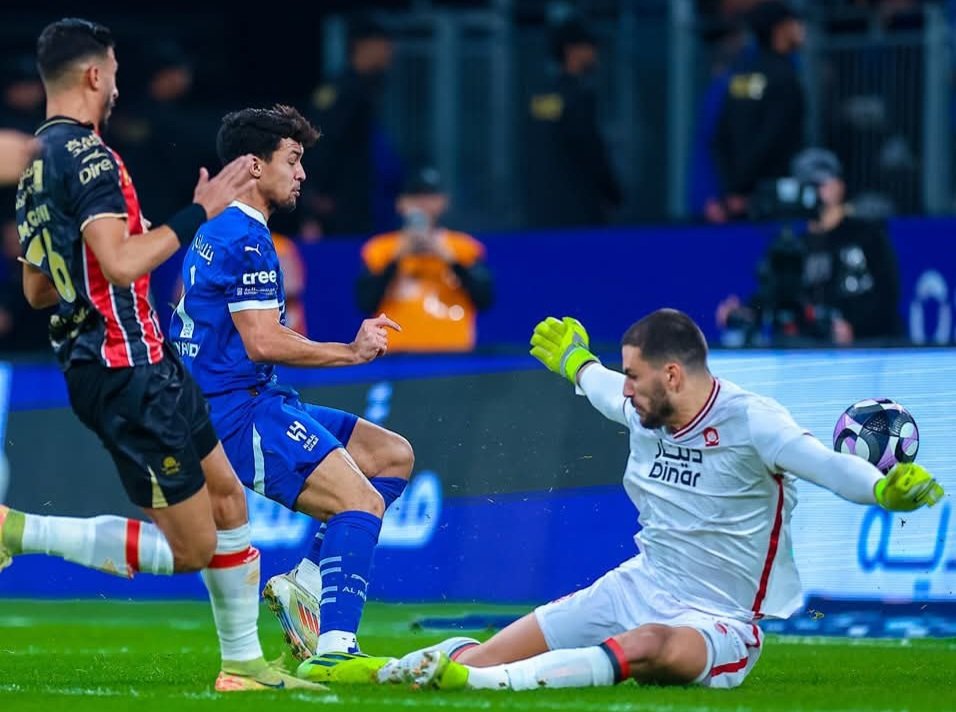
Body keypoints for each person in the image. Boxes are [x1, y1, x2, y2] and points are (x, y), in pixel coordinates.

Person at [300, 308, 944, 688]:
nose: (626, 388)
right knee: (497, 644)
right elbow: (596, 380)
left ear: (673, 375)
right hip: (635, 585)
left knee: (653, 647)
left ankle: (486, 685)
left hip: (719, 620)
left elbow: (830, 467)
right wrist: (574, 361)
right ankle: (377, 672)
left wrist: (886, 490)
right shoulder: (641, 406)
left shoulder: (756, 422)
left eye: (635, 374)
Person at [0, 18, 324, 693]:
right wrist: (196, 212)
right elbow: (120, 266)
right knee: (193, 547)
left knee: (230, 499)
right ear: (94, 75)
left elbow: (36, 288)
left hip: (146, 358)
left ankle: (242, 667)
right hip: (124, 370)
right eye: (114, 69)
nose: (118, 82)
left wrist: (116, 249)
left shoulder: (39, 167)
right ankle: (16, 530)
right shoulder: (90, 159)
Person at [169, 104, 414, 664]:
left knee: (392, 456)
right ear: (255, 166)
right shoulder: (247, 238)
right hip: (235, 411)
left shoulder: (220, 226)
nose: (301, 173)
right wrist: (351, 352)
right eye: (294, 159)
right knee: (361, 501)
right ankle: (336, 647)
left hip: (248, 398)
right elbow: (263, 341)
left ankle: (304, 580)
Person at [717, 148, 901, 346]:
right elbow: (775, 297)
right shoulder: (793, 245)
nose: (817, 191)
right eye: (809, 185)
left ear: (840, 185)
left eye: (822, 183)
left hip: (868, 349)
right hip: (811, 352)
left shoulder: (866, 234)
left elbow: (887, 295)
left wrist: (856, 329)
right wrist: (745, 314)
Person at [355, 167, 494, 352]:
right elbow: (365, 301)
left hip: (453, 354)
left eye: (430, 197)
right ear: (401, 203)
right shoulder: (380, 249)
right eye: (415, 197)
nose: (422, 204)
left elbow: (484, 299)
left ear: (444, 202)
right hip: (395, 355)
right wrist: (397, 258)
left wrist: (451, 260)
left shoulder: (464, 248)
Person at [301, 16, 400, 238]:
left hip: (366, 200)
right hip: (340, 203)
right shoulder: (342, 90)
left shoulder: (369, 88)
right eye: (384, 46)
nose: (389, 52)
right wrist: (318, 189)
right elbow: (319, 138)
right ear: (362, 45)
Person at [710, 1, 806, 221]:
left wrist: (734, 189)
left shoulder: (741, 76)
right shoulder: (785, 78)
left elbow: (720, 138)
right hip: (775, 200)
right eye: (795, 23)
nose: (801, 29)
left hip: (737, 198)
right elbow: (774, 137)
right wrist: (745, 188)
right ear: (780, 30)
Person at [524, 19, 622, 228]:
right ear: (571, 50)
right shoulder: (578, 96)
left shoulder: (541, 96)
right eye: (590, 46)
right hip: (579, 211)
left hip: (540, 209)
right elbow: (589, 149)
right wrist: (612, 192)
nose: (595, 53)